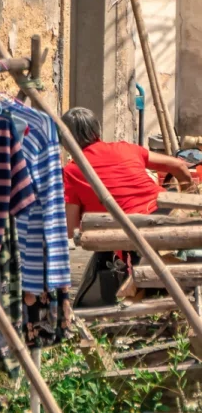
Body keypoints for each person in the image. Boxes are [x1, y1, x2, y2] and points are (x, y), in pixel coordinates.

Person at [60, 106, 197, 306]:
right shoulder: (124, 148)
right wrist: (189, 194)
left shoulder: (72, 171)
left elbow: (70, 229)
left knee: (130, 257)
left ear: (66, 139)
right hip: (170, 213)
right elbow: (179, 166)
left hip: (133, 232)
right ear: (97, 129)